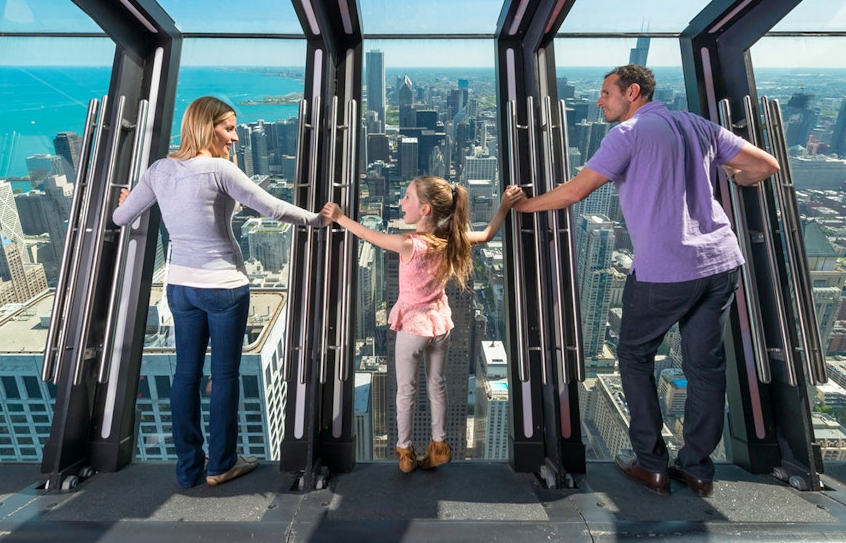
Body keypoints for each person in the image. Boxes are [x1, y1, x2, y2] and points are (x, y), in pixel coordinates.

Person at [513, 64, 779, 497]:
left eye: (605, 93)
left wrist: (522, 207)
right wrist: (735, 175)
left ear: (632, 92)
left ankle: (651, 464)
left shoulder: (627, 134)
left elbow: (575, 192)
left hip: (665, 271)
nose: (599, 100)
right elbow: (764, 166)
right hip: (721, 264)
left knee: (635, 357)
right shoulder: (698, 124)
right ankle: (697, 469)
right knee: (706, 368)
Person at [113, 96, 328, 489]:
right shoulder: (219, 170)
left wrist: (129, 201)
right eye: (228, 128)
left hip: (180, 289)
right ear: (205, 126)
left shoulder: (159, 169)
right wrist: (318, 219)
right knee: (224, 376)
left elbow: (121, 218)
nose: (235, 137)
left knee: (186, 376)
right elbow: (274, 210)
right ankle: (221, 465)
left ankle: (189, 469)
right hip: (224, 287)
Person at [321, 177, 524, 473]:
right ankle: (438, 445)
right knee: (437, 386)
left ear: (426, 209)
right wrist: (504, 206)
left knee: (406, 390)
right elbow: (488, 234)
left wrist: (339, 217)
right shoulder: (449, 238)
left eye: (407, 198)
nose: (401, 203)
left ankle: (405, 451)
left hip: (413, 328)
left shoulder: (409, 245)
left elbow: (368, 235)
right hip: (440, 325)